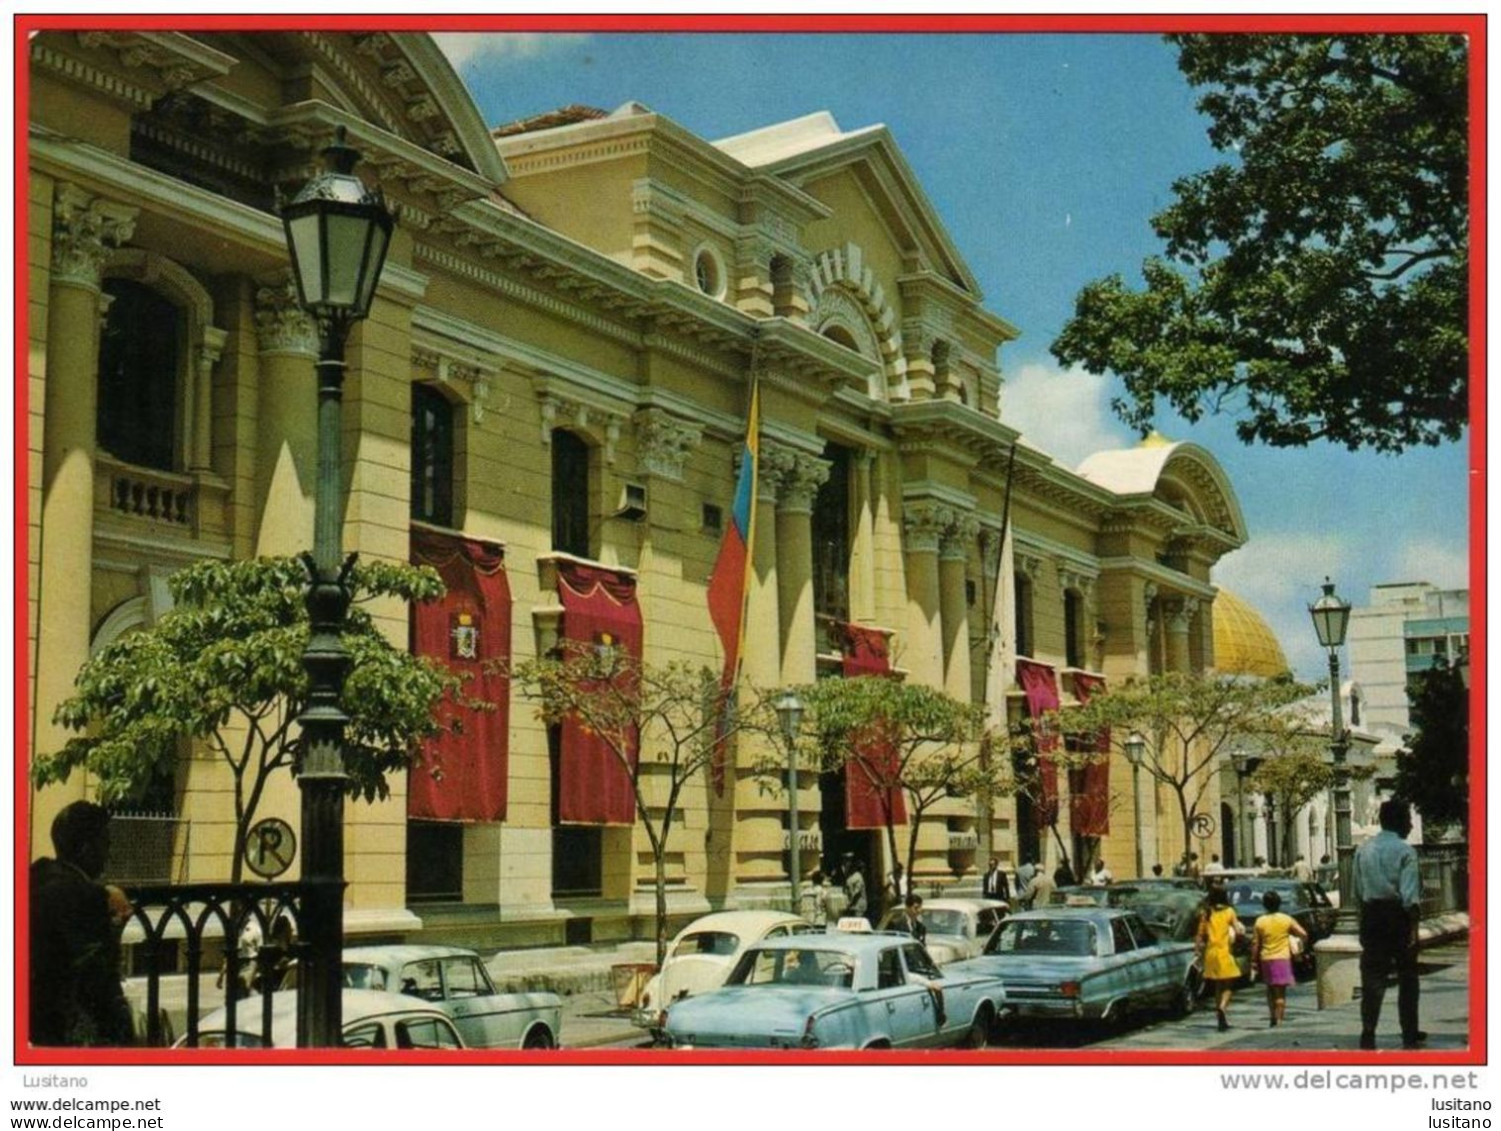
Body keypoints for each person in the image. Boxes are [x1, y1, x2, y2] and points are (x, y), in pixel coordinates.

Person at [30, 801, 134, 1047]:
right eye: (105, 844)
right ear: (87, 849)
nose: (109, 854)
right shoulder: (86, 898)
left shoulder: (37, 878)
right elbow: (99, 981)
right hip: (61, 1032)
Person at [1353, 799, 1424, 1050]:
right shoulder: (1406, 851)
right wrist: (1414, 929)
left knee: (1372, 977)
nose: (1410, 824)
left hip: (1372, 916)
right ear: (1399, 821)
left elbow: (1358, 890)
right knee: (1408, 977)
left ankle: (1368, 1031)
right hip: (1398, 917)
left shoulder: (1363, 849)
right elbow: (1410, 895)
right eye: (1407, 819)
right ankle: (1409, 1031)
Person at [1251, 888, 1308, 1028]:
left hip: (1266, 958)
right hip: (1282, 959)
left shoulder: (1260, 921)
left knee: (1270, 990)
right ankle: (1280, 1021)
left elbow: (1255, 943)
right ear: (1279, 903)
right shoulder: (1286, 919)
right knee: (1281, 993)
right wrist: (1298, 946)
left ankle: (1272, 1017)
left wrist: (1253, 961)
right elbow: (1303, 934)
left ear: (1264, 904)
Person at [1196, 884, 1243, 1032]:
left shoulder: (1207, 913)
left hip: (1211, 952)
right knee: (1229, 984)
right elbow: (1238, 930)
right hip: (1224, 951)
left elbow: (1200, 934)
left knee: (1217, 985)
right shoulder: (1229, 912)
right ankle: (1222, 1007)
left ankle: (1219, 1019)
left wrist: (1198, 951)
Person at [842, 855, 868, 924]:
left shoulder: (850, 878)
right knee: (858, 924)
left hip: (852, 905)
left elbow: (845, 891)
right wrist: (851, 902)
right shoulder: (859, 877)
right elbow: (857, 891)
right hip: (858, 904)